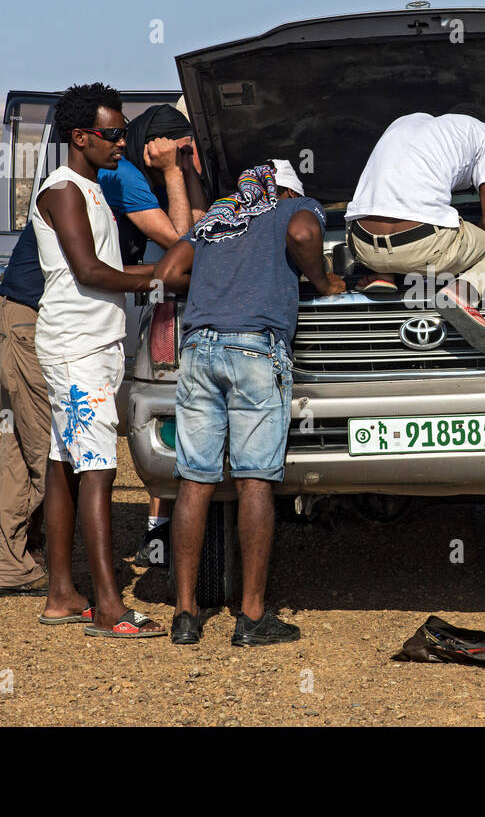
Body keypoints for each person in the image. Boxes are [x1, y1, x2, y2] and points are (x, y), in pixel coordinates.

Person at [152, 159, 345, 645]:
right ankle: (253, 616)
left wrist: (220, 287)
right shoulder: (294, 207)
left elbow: (168, 270)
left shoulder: (218, 217)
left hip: (197, 351)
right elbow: (303, 234)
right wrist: (323, 282)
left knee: (194, 478)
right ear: (284, 190)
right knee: (254, 478)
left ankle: (185, 615)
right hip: (255, 350)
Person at [34, 82, 164, 638]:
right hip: (76, 347)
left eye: (124, 134)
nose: (121, 144)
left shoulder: (91, 189)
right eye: (112, 135)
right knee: (98, 468)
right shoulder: (63, 190)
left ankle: (62, 593)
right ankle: (110, 606)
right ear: (79, 136)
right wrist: (158, 277)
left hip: (92, 343)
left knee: (65, 462)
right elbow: (88, 272)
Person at [96, 101, 208, 568]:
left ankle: (159, 530)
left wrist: (186, 170)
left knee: (168, 401)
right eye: (183, 150)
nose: (190, 159)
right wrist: (176, 174)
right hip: (93, 312)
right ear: (153, 148)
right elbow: (187, 240)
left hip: (124, 304)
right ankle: (152, 534)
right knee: (134, 417)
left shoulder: (155, 174)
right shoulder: (126, 175)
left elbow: (204, 230)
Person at [344, 105, 485, 354]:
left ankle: (386, 273)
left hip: (362, 245)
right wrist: (460, 253)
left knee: (399, 235)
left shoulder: (403, 122)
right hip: (421, 246)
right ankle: (461, 296)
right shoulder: (484, 132)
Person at [0, 228, 50, 597]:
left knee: (22, 447)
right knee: (48, 453)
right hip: (29, 326)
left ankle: (12, 563)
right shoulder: (110, 184)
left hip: (20, 322)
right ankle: (63, 581)